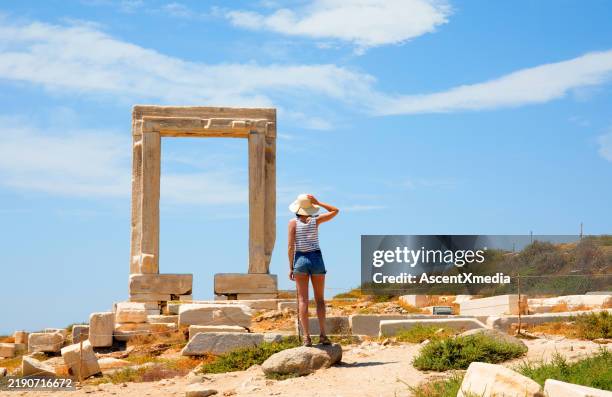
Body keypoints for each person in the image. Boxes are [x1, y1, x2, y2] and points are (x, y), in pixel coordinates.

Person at [288, 193, 339, 346]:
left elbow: (291, 247)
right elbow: (335, 210)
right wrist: (319, 202)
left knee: (303, 300)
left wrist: (291, 266)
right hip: (316, 258)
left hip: (300, 259)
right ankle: (323, 335)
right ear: (310, 208)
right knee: (320, 300)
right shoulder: (316, 220)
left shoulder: (292, 223)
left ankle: (306, 337)